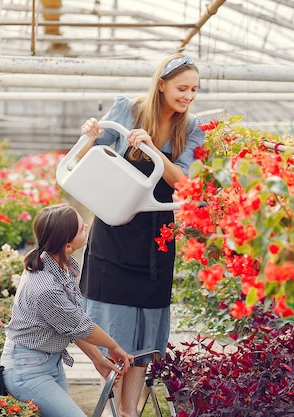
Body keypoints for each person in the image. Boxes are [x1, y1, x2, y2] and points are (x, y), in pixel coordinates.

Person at [78, 53, 205, 417]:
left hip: (157, 239)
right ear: (161, 84)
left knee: (145, 332)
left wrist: (151, 149)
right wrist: (89, 136)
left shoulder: (191, 127)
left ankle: (129, 410)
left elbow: (183, 182)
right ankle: (120, 408)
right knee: (115, 327)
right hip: (114, 233)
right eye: (182, 88)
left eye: (194, 89)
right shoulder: (128, 109)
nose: (188, 96)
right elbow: (95, 157)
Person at [0, 203, 133, 417]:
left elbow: (68, 324)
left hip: (48, 363)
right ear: (67, 246)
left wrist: (97, 358)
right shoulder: (46, 287)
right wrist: (114, 346)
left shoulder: (58, 263)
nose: (88, 226)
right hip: (27, 369)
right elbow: (82, 326)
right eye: (82, 228)